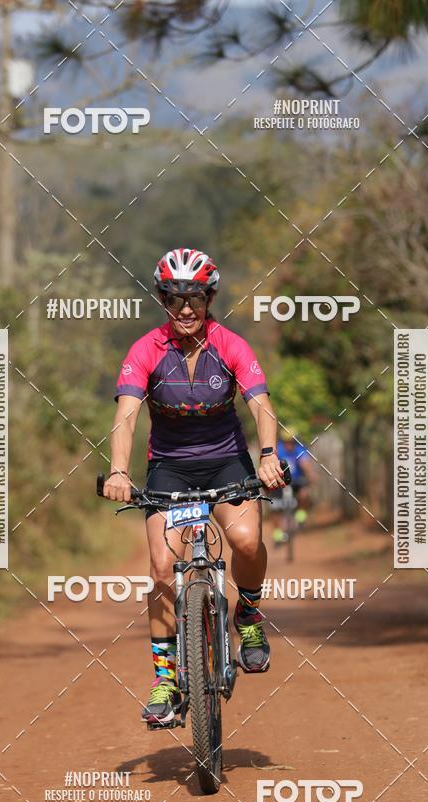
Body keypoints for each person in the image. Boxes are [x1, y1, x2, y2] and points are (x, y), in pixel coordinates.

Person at [103, 247, 285, 726]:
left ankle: (246, 617)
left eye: (195, 298)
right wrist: (119, 472)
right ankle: (165, 678)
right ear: (162, 299)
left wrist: (268, 457)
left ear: (210, 298)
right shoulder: (145, 350)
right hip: (169, 468)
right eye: (174, 298)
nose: (185, 309)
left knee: (246, 541)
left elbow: (262, 406)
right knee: (163, 570)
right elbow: (126, 416)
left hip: (227, 462)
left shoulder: (231, 346)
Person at [271, 432, 313, 544]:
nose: (289, 444)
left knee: (304, 493)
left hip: (296, 480)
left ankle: (301, 516)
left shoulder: (299, 449)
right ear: (282, 442)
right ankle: (278, 534)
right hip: (280, 481)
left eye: (292, 442)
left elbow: (305, 463)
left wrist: (310, 475)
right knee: (274, 506)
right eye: (287, 442)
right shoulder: (278, 449)